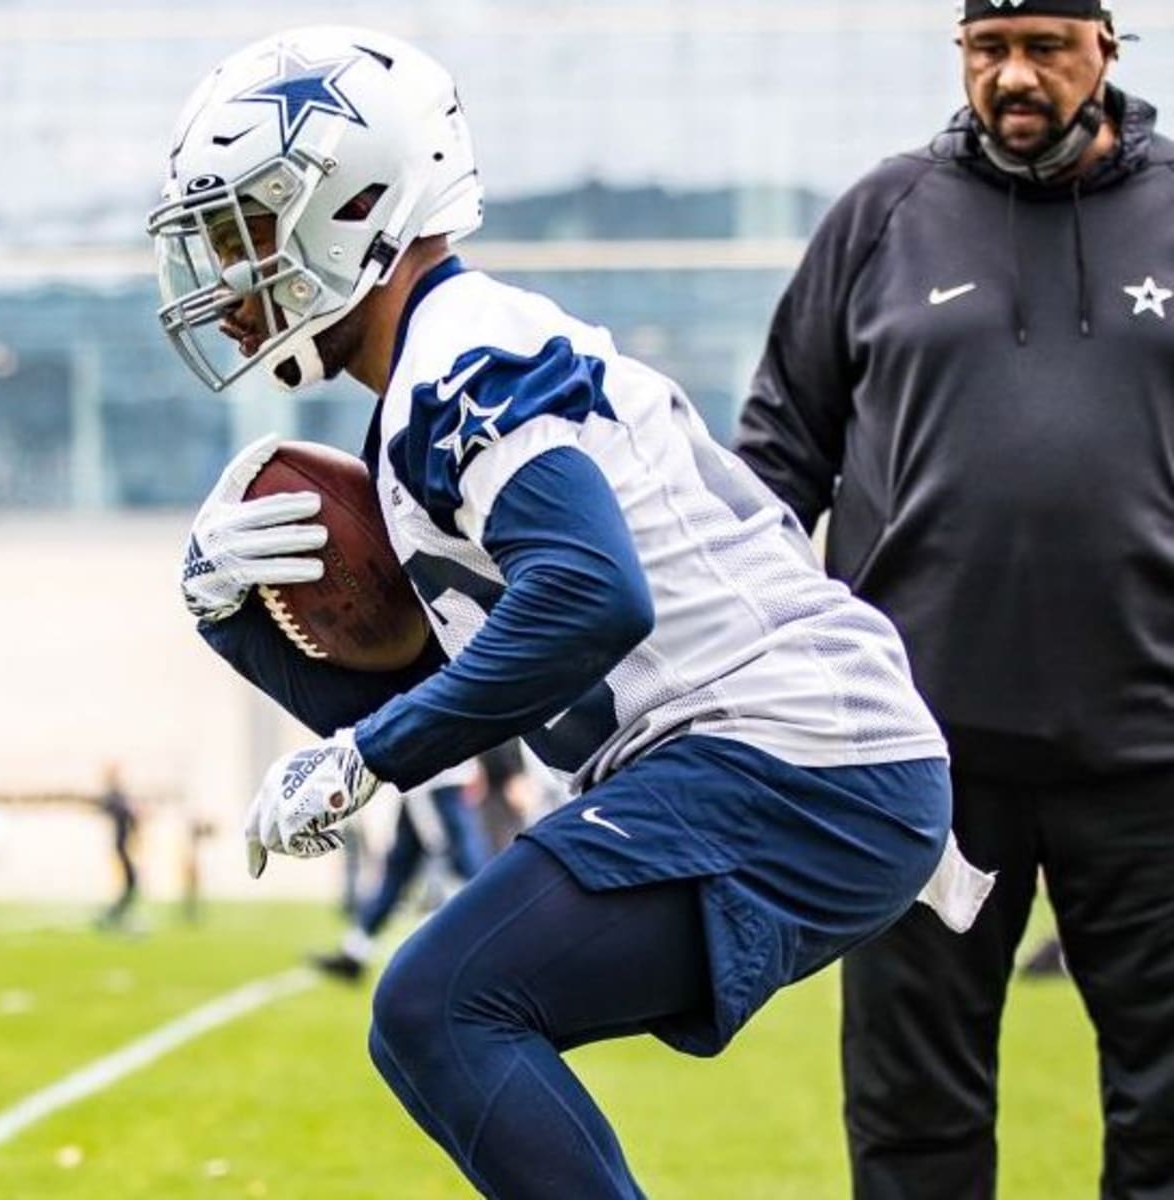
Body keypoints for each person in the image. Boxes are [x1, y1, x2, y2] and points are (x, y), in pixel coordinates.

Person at [148, 26, 990, 1198]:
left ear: (356, 211)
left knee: (445, 1003)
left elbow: (593, 597)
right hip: (791, 761)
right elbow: (446, 696)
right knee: (447, 1008)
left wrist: (365, 762)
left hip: (791, 750)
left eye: (248, 231)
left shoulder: (470, 358)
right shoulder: (430, 395)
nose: (230, 279)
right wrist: (234, 622)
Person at [735, 2, 1174, 1196]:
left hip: (1153, 761)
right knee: (912, 1116)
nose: (1014, 77)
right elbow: (774, 462)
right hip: (919, 762)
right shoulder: (882, 218)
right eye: (989, 50)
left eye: (1044, 47)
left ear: (1108, 50)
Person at [313, 761, 491, 981]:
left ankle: (489, 946)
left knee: (463, 867)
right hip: (421, 785)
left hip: (437, 782)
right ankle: (355, 951)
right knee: (399, 868)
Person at [95, 763, 140, 930]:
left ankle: (113, 915)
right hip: (122, 846)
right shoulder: (112, 797)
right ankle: (112, 916)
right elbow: (110, 809)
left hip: (127, 845)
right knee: (129, 882)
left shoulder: (120, 795)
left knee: (132, 883)